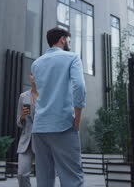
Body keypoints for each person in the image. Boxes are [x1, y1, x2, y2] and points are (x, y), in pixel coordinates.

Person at [31, 27, 86, 187]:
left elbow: (38, 94)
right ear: (62, 39)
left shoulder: (36, 63)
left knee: (44, 180)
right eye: (69, 39)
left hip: (40, 127)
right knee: (72, 179)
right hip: (63, 125)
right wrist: (77, 119)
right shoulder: (72, 57)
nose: (69, 43)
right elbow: (80, 87)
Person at [16, 74, 38, 187]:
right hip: (26, 141)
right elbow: (18, 122)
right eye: (31, 74)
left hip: (42, 141)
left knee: (45, 175)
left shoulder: (47, 96)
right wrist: (23, 117)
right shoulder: (23, 96)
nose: (33, 76)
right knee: (21, 174)